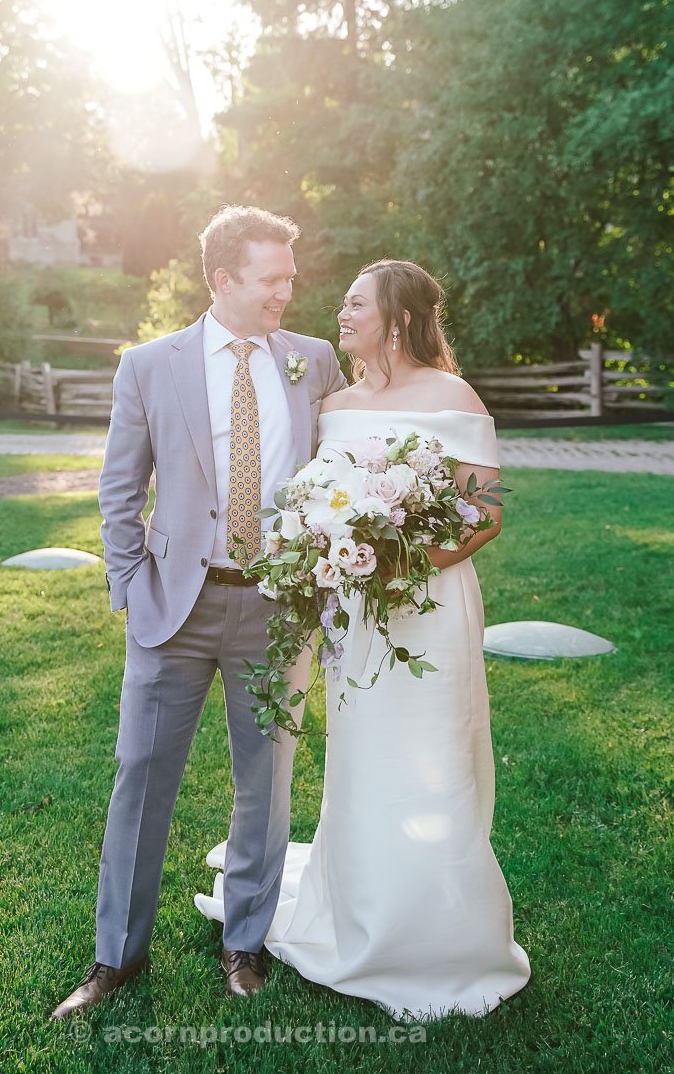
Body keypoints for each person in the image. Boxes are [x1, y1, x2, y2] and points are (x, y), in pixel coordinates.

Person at [195, 258, 532, 1019]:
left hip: (430, 607)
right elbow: (321, 501)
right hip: (353, 615)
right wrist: (327, 556)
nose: (339, 315)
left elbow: (483, 514)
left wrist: (405, 570)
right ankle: (360, 911)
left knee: (437, 750)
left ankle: (444, 930)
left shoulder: (454, 396)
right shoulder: (335, 403)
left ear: (399, 318)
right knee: (363, 755)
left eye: (354, 304)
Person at [50, 205, 347, 1020]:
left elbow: (346, 468)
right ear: (223, 280)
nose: (288, 290)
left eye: (290, 275)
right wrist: (127, 581)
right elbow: (120, 485)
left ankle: (244, 944)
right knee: (140, 778)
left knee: (265, 779)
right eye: (273, 278)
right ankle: (116, 957)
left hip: (278, 608)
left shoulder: (313, 362)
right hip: (172, 608)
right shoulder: (150, 365)